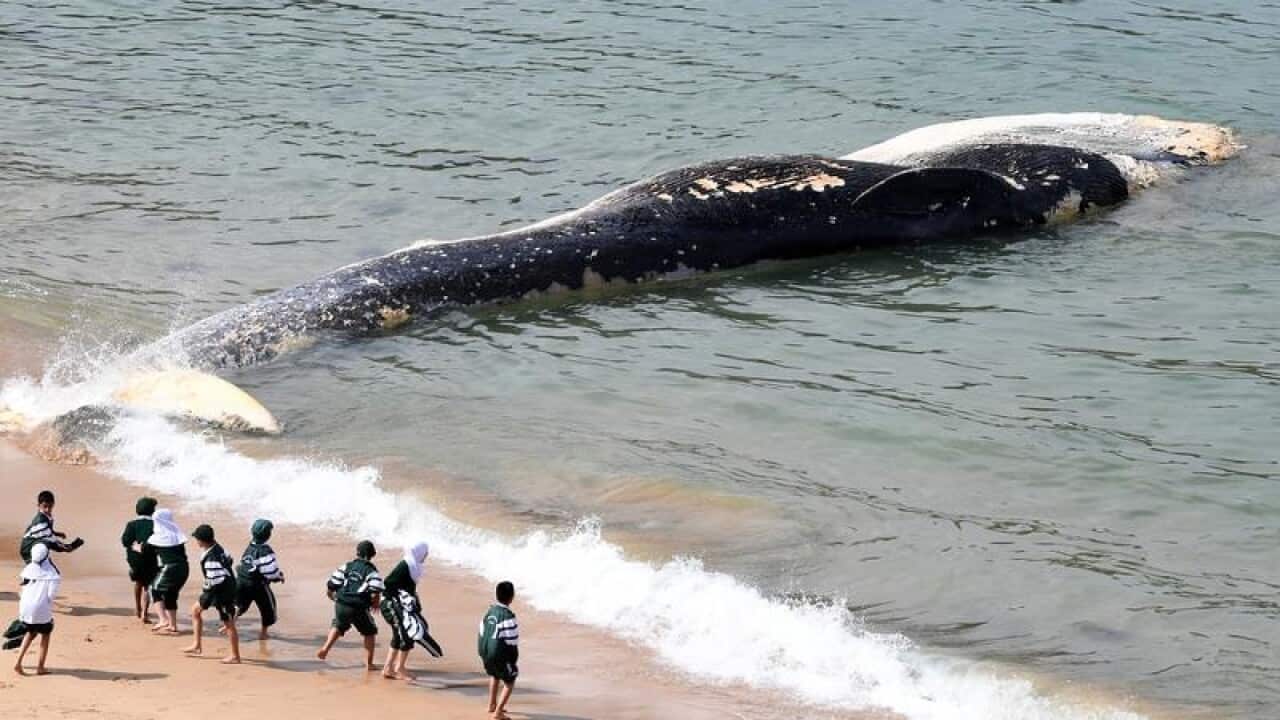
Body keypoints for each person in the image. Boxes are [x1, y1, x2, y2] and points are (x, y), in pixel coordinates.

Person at [379, 541, 442, 680]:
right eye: (425, 553)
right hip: (390, 604)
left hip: (398, 605)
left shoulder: (413, 566)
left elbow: (409, 589)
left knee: (399, 634)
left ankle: (389, 668)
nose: (426, 555)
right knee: (406, 634)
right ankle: (399, 668)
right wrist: (398, 598)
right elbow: (388, 583)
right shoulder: (406, 565)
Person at [317, 540, 383, 669]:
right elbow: (375, 591)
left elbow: (332, 583)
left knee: (339, 625)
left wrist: (332, 595)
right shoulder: (372, 571)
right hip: (358, 607)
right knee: (369, 632)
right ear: (372, 555)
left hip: (341, 603)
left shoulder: (347, 566)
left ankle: (325, 648)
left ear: (357, 553)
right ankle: (369, 664)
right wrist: (375, 604)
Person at [184, 525, 240, 663]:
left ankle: (235, 656)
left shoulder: (211, 559)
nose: (196, 541)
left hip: (222, 592)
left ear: (202, 541)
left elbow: (215, 579)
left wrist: (205, 591)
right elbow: (230, 559)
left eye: (197, 538)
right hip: (220, 587)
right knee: (195, 611)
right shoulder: (218, 547)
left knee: (228, 623)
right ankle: (197, 645)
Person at [3, 543, 61, 676]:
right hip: (40, 607)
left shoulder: (28, 569)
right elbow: (51, 595)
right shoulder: (52, 573)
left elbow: (23, 588)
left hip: (24, 606)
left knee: (31, 632)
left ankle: (18, 663)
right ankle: (40, 667)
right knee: (45, 634)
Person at [234, 519, 284, 641]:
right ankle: (263, 633)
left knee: (240, 605)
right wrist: (279, 576)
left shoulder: (250, 546)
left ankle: (230, 623)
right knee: (268, 608)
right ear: (268, 535)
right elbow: (270, 571)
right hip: (258, 585)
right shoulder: (266, 551)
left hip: (241, 581)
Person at [140, 508, 189, 634]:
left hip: (169, 568)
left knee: (154, 589)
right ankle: (173, 625)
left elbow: (145, 549)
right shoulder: (177, 534)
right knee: (170, 594)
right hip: (184, 568)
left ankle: (163, 619)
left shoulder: (158, 537)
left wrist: (135, 547)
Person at [478, 581, 519, 720]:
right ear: (511, 597)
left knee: (494, 675)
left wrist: (483, 652)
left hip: (484, 651)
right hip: (498, 653)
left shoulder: (489, 612)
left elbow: (482, 631)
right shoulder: (509, 617)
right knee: (510, 680)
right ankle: (498, 712)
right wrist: (512, 661)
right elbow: (512, 641)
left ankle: (491, 704)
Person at [120, 497, 159, 624]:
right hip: (150, 559)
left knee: (138, 583)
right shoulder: (155, 524)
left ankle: (137, 608)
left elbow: (125, 541)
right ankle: (145, 613)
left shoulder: (131, 524)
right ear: (153, 511)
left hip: (135, 560)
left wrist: (134, 546)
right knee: (148, 586)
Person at [19, 490, 84, 564]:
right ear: (38, 505)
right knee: (39, 566)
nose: (48, 509)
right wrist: (68, 547)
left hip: (36, 543)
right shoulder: (40, 521)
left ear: (53, 504)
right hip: (28, 550)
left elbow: (48, 531)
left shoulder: (46, 516)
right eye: (45, 506)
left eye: (50, 506)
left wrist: (57, 533)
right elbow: (53, 542)